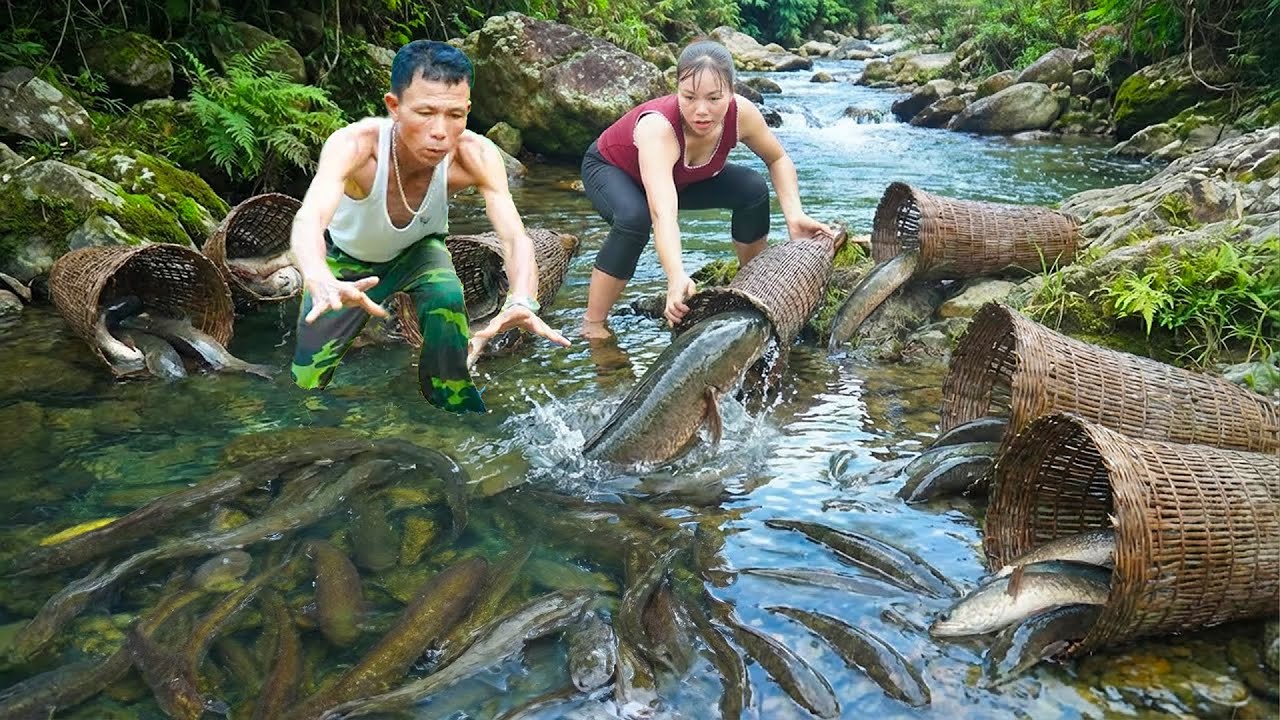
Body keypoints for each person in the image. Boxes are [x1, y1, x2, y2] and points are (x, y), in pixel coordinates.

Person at [289, 40, 569, 412]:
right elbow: (310, 216)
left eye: (455, 115)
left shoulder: (475, 154)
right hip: (349, 262)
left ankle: (452, 406)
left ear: (468, 110)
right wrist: (317, 275)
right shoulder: (356, 147)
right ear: (394, 107)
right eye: (425, 112)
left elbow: (515, 237)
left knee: (446, 294)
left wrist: (521, 298)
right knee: (305, 385)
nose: (440, 131)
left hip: (422, 251)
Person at [578, 39, 832, 339]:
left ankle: (751, 284)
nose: (701, 111)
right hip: (612, 171)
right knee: (636, 217)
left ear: (731, 91)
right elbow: (663, 214)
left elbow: (778, 158)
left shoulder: (743, 115)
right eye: (689, 97)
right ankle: (593, 324)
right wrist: (675, 277)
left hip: (680, 180)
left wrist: (794, 214)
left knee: (751, 189)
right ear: (677, 91)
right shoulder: (658, 129)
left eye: (714, 98)